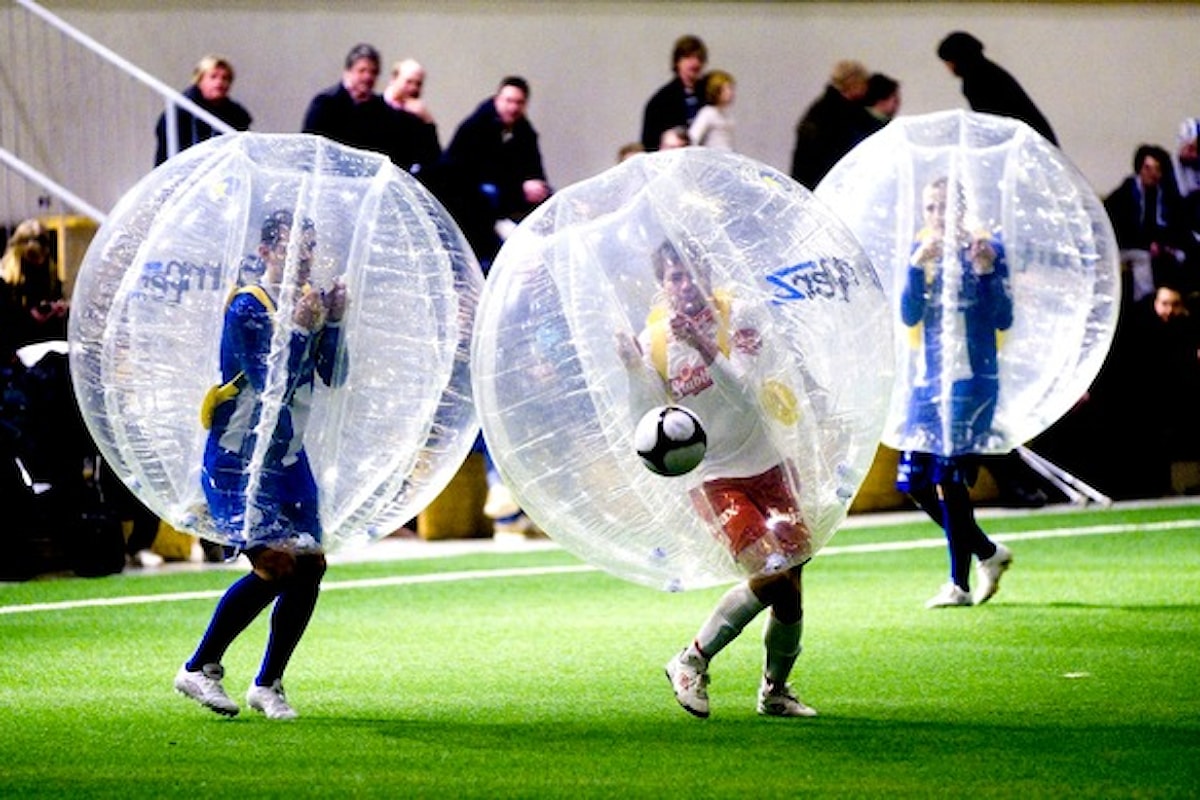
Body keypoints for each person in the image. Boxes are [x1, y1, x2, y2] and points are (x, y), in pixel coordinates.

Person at [620, 241, 816, 719]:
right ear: (662, 286)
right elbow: (647, 417)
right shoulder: (655, 343)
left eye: (690, 273)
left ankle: (775, 690)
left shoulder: (739, 315)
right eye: (673, 278)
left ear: (706, 272)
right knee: (769, 573)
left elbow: (749, 395)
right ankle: (691, 659)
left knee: (789, 582)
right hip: (713, 476)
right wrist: (632, 369)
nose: (684, 285)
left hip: (768, 461)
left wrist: (706, 346)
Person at [174, 209, 349, 720]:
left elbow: (334, 375)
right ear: (267, 252)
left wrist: (333, 322)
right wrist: (299, 330)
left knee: (311, 565)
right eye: (296, 247)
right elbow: (271, 384)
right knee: (274, 563)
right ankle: (199, 667)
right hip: (238, 460)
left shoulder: (309, 303)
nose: (306, 257)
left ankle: (268, 683)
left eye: (311, 247)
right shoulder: (249, 307)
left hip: (289, 458)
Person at [897, 176, 1014, 608]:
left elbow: (1003, 318)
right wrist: (913, 267)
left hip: (971, 381)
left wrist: (985, 274)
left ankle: (958, 584)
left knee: (949, 480)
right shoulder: (921, 252)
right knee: (913, 482)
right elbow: (908, 314)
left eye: (945, 207)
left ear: (962, 210)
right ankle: (987, 552)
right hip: (928, 383)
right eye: (930, 208)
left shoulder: (987, 250)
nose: (937, 216)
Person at [439, 76, 552, 268]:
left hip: (510, 199)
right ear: (498, 100)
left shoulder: (525, 132)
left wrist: (538, 186)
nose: (513, 108)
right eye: (509, 101)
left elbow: (534, 167)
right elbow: (471, 174)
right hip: (475, 202)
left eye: (519, 102)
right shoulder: (476, 127)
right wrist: (520, 188)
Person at [302, 43, 438, 176]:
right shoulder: (325, 103)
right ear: (348, 72)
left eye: (373, 72)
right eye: (362, 70)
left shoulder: (380, 110)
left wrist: (427, 122)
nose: (368, 77)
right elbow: (311, 149)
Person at [936, 31, 1058, 146]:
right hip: (1037, 139)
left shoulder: (976, 81)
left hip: (1026, 144)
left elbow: (989, 124)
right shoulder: (990, 72)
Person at [1104, 144, 1191, 300]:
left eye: (1157, 169)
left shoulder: (1164, 194)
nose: (1152, 174)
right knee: (1143, 258)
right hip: (1123, 246)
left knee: (1180, 256)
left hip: (1153, 246)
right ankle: (1145, 303)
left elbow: (1174, 224)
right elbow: (1122, 229)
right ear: (1139, 169)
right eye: (1147, 168)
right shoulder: (1125, 193)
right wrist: (1148, 244)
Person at [154, 54, 252, 166]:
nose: (220, 82)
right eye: (213, 77)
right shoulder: (181, 111)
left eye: (225, 78)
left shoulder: (236, 115)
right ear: (199, 80)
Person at [789, 59, 872, 189]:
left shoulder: (820, 109)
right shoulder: (841, 115)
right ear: (854, 83)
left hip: (808, 184)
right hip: (826, 185)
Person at [1, 219, 68, 349]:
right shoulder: (5, 280)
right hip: (16, 347)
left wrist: (57, 310)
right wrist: (29, 317)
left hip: (47, 344)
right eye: (31, 260)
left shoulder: (50, 275)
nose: (37, 265)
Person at [641, 35, 708, 152]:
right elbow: (649, 142)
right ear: (677, 62)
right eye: (688, 57)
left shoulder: (708, 95)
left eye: (699, 58)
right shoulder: (661, 100)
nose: (695, 63)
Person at [688, 70, 736, 151]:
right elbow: (693, 138)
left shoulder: (727, 115)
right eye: (728, 89)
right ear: (716, 91)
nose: (731, 93)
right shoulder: (707, 113)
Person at [857, 72, 901, 140]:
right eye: (895, 99)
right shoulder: (883, 128)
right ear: (881, 101)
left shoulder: (856, 119)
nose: (898, 104)